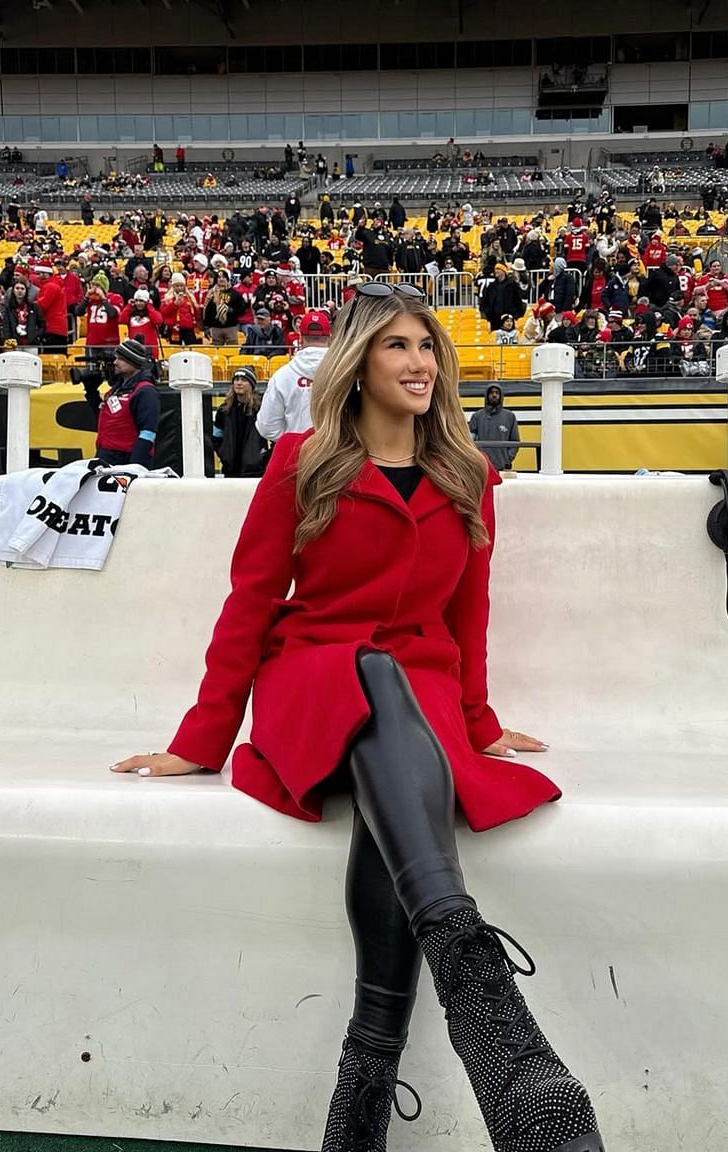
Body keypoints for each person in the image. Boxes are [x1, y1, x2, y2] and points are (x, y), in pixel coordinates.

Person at [109, 282, 604, 1152]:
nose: (420, 363)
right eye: (398, 347)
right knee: (373, 674)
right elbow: (251, 603)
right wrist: (201, 741)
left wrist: (480, 722)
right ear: (359, 362)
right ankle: (486, 1001)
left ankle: (360, 1105)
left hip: (418, 705)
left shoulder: (468, 476)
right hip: (314, 683)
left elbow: (468, 618)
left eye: (429, 348)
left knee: (392, 751)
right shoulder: (300, 462)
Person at [257, 310, 331, 440]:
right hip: (339, 454)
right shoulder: (347, 373)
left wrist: (292, 442)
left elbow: (266, 427)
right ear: (330, 338)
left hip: (296, 455)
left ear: (301, 338)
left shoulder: (282, 376)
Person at [89, 338, 160, 466]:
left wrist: (135, 466)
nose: (115, 362)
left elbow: (148, 432)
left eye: (120, 359)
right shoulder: (116, 389)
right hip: (106, 456)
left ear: (133, 361)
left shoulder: (145, 391)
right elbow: (106, 418)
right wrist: (91, 392)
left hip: (125, 460)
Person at [211, 367, 270, 478]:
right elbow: (216, 437)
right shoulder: (223, 410)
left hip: (255, 471)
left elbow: (273, 437)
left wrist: (262, 458)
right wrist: (225, 455)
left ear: (251, 385)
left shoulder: (261, 409)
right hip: (230, 471)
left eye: (244, 380)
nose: (239, 383)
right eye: (236, 379)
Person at [468, 384, 518, 471]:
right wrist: (476, 459)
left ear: (501, 396)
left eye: (497, 393)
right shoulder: (477, 416)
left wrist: (507, 459)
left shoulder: (510, 416)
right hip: (482, 467)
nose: (494, 395)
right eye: (491, 393)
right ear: (487, 395)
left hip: (503, 467)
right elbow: (470, 441)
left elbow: (515, 441)